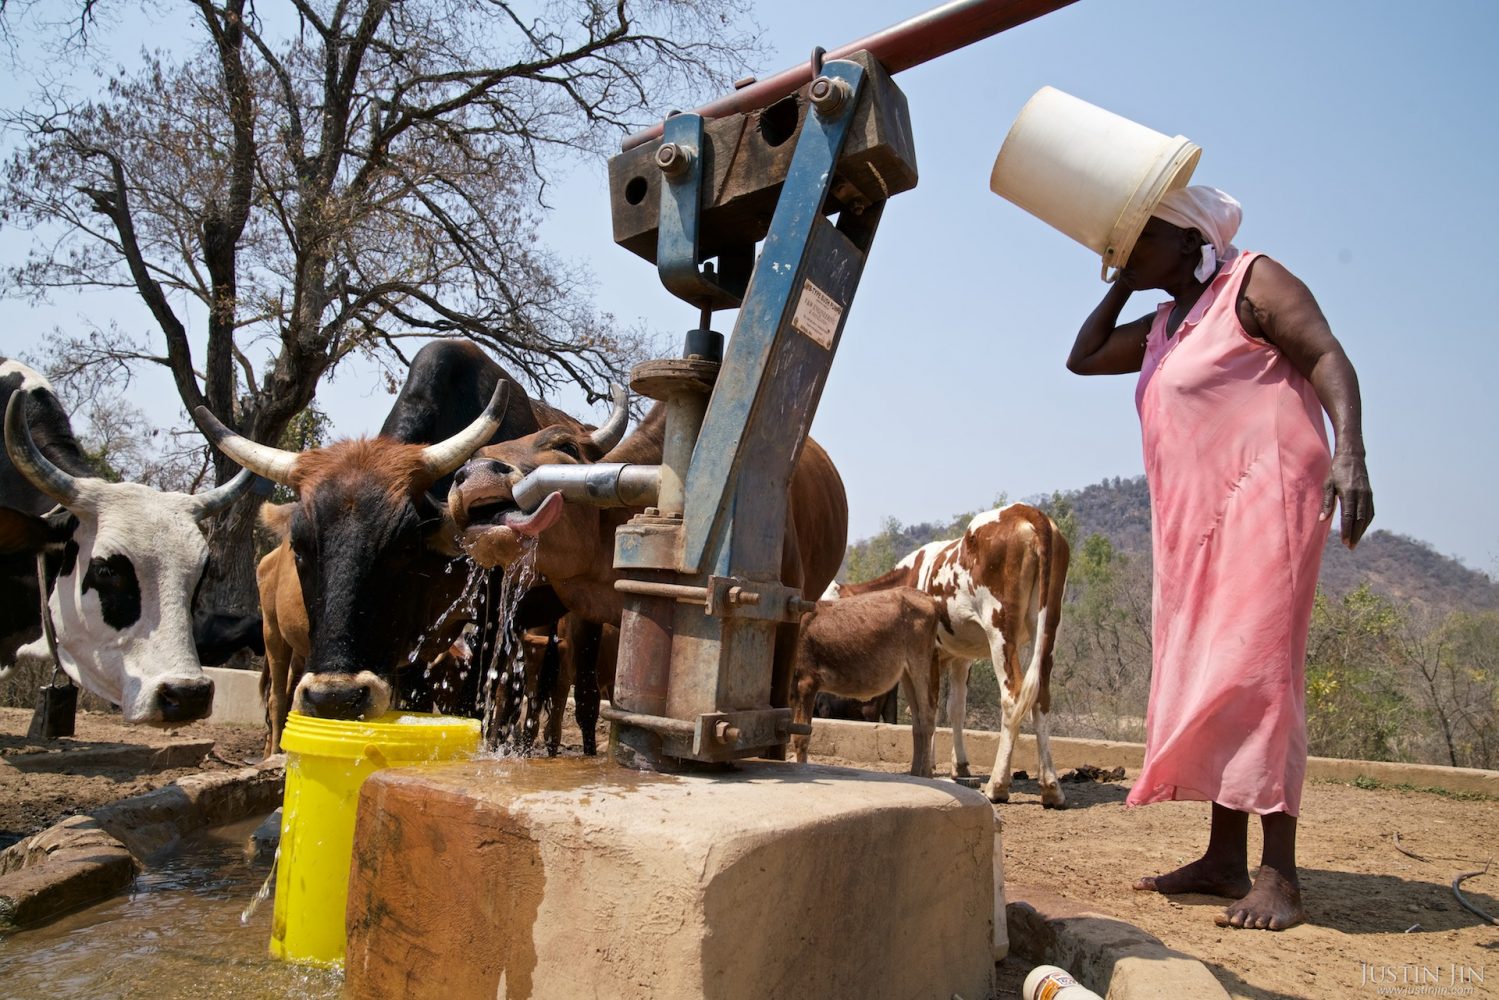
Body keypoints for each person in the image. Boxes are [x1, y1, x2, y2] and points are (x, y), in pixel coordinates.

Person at [1065, 186, 1374, 931]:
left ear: (1188, 241)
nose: (1129, 251)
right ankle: (1222, 858)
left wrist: (1351, 453)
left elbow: (1326, 353)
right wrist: (1118, 281)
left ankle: (1279, 876)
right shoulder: (1167, 318)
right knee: (1214, 676)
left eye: (1143, 239)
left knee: (1257, 674)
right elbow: (1081, 358)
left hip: (1268, 498)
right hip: (1194, 526)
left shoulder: (1253, 281)